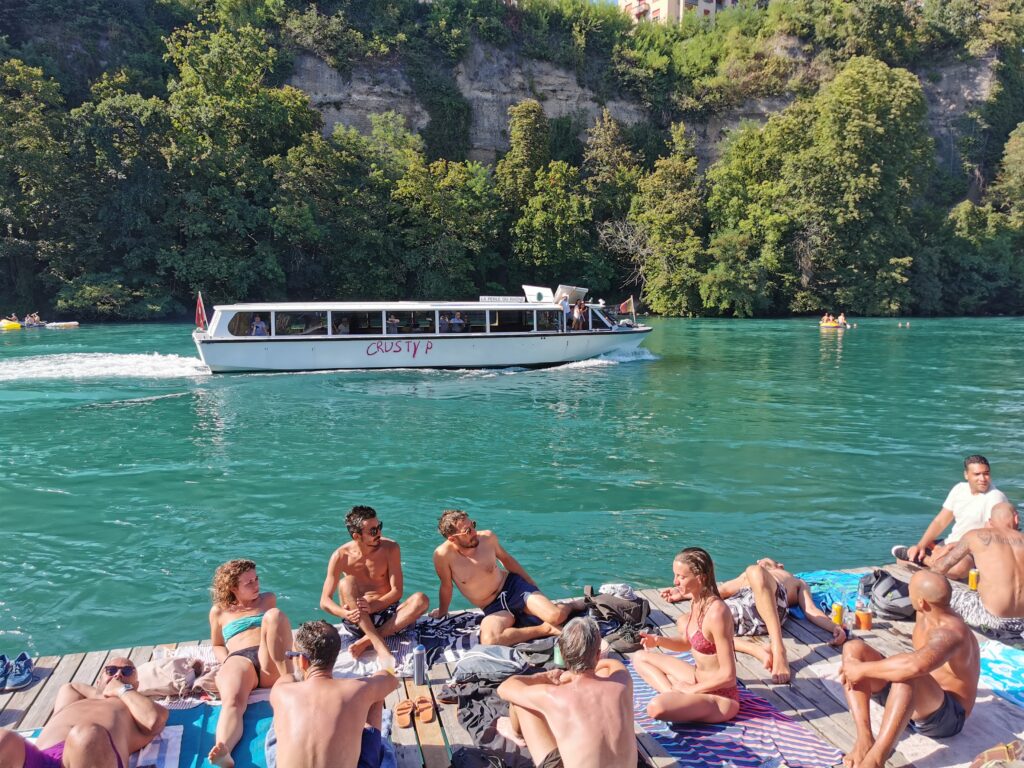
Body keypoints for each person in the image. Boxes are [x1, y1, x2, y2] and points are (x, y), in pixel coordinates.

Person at [840, 570, 979, 768]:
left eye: (910, 591)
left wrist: (861, 671)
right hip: (913, 698)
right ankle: (864, 739)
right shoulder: (926, 614)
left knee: (909, 675)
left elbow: (916, 666)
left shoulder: (950, 632)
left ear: (921, 602)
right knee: (853, 649)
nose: (906, 593)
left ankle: (876, 759)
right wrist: (859, 666)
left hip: (946, 717)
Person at [662, 556, 846, 684]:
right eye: (761, 561)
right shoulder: (746, 578)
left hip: (772, 610)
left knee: (754, 571)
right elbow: (720, 591)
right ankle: (756, 650)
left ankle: (777, 648)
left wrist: (833, 626)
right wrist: (682, 593)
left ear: (779, 565)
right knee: (684, 621)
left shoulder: (793, 580)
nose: (762, 562)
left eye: (767, 561)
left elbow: (811, 610)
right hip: (742, 611)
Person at [495, 617, 640, 768]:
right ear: (598, 655)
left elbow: (505, 688)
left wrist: (542, 677)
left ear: (563, 656)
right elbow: (613, 664)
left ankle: (515, 733)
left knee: (521, 702)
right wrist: (583, 670)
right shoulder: (622, 681)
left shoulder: (551, 695)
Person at [430, 509, 582, 646]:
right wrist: (443, 612)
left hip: (514, 588)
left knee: (556, 616)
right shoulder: (442, 556)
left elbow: (507, 561)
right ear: (452, 539)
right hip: (492, 607)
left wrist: (533, 587)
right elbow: (446, 586)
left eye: (473, 525)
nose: (475, 532)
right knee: (489, 640)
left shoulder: (487, 538)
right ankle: (545, 629)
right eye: (467, 531)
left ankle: (571, 605)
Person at [267, 620, 398, 768]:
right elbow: (391, 677)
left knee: (280, 718)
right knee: (376, 695)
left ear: (302, 660)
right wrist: (376, 639)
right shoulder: (358, 690)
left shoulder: (281, 690)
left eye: (292, 655)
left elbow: (293, 678)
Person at [633, 547, 740, 725]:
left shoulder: (717, 613)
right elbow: (686, 643)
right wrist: (658, 640)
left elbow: (728, 676)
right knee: (640, 657)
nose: (675, 582)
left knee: (656, 708)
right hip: (696, 677)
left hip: (719, 696)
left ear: (700, 578)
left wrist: (692, 690)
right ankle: (672, 693)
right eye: (675, 575)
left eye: (681, 577)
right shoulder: (696, 600)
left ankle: (675, 695)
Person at [0, 656, 167, 768]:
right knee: (3, 739)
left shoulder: (135, 706)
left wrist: (123, 691)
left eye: (127, 671)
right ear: (99, 679)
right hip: (44, 758)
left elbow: (153, 720)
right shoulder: (81, 697)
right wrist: (103, 693)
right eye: (111, 670)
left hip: (90, 754)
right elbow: (70, 686)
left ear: (136, 684)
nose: (118, 674)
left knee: (86, 734)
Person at [320, 506, 429, 670]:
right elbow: (325, 601)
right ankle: (379, 644)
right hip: (357, 619)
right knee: (346, 582)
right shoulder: (340, 556)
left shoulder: (391, 548)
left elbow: (397, 591)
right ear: (357, 536)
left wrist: (373, 606)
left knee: (421, 599)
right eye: (372, 531)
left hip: (387, 615)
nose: (379, 533)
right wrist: (345, 613)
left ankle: (369, 640)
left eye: (379, 527)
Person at [208, 559, 294, 768]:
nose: (256, 585)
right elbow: (218, 644)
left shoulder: (267, 600)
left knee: (273, 616)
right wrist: (227, 662)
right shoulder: (219, 612)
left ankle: (290, 680)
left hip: (269, 657)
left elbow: (277, 633)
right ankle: (224, 749)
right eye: (249, 583)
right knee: (233, 702)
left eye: (256, 579)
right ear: (232, 588)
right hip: (239, 657)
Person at [893, 455, 1008, 579]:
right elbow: (940, 521)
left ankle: (927, 561)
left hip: (973, 550)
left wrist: (948, 548)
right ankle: (930, 560)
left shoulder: (995, 497)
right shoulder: (959, 489)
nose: (983, 478)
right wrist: (921, 545)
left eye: (986, 474)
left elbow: (985, 536)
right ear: (966, 475)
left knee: (959, 569)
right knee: (902, 561)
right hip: (950, 543)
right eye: (977, 474)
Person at [931, 502, 1024, 640]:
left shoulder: (975, 536)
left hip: (992, 619)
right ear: (1016, 519)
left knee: (932, 588)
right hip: (1022, 622)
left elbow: (940, 568)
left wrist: (934, 558)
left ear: (990, 522)